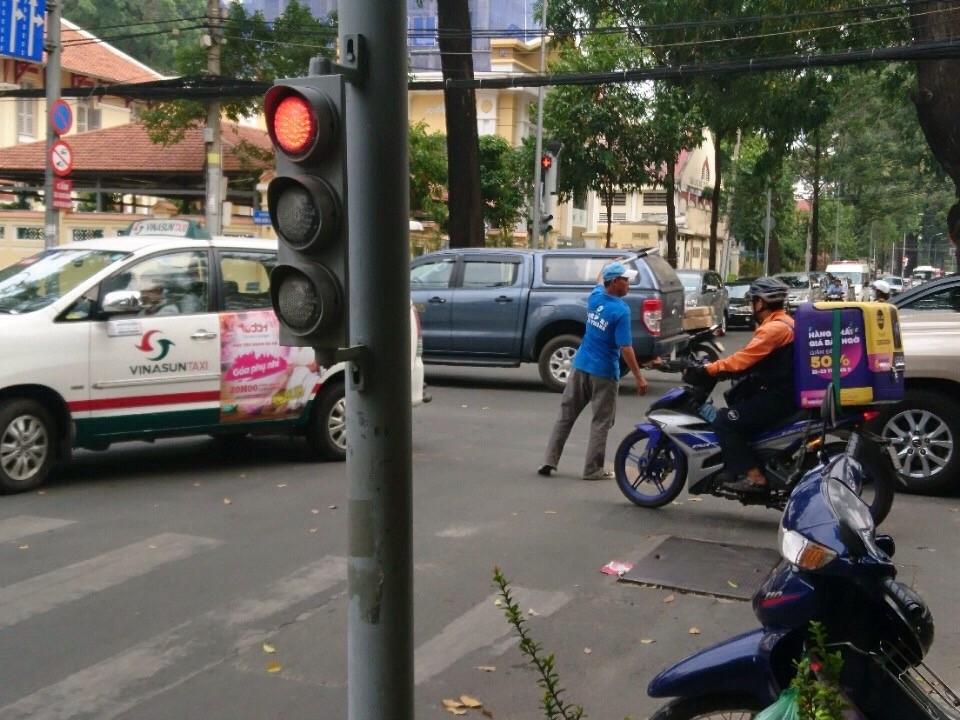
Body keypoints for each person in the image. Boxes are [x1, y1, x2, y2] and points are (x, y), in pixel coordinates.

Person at [539, 260, 649, 481]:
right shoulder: (620, 310)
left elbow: (600, 279)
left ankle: (548, 460)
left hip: (580, 366)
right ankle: (592, 469)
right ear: (615, 282)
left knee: (565, 416)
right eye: (625, 280)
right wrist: (639, 377)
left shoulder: (596, 297)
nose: (629, 284)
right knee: (601, 421)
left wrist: (610, 264)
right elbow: (625, 347)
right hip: (604, 373)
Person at [683, 277, 795, 493]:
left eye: (753, 300)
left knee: (725, 422)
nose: (751, 305)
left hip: (778, 396)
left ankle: (755, 477)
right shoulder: (788, 323)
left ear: (760, 303)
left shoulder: (772, 330)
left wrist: (709, 369)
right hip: (785, 392)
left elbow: (741, 360)